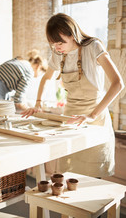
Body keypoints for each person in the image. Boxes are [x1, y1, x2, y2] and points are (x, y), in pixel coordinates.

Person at [22, 13, 124, 178]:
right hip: (70, 118)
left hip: (94, 117)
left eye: (61, 42)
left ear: (72, 34)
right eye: (53, 43)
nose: (57, 47)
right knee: (69, 174)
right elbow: (46, 78)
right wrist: (38, 103)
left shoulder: (93, 46)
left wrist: (91, 115)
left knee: (93, 174)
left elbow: (118, 83)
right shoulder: (58, 53)